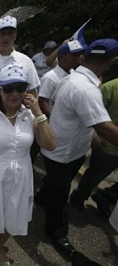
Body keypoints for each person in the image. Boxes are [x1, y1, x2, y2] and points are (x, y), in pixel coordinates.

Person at [37, 38, 118, 260]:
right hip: (62, 151)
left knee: (55, 187)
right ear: (111, 61)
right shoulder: (83, 87)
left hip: (70, 148)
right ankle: (55, 232)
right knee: (61, 193)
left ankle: (42, 199)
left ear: (84, 57)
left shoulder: (75, 79)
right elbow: (104, 127)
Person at [0, 64, 56, 266]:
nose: (14, 94)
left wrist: (38, 112)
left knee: (14, 214)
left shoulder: (31, 117)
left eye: (20, 88)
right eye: (8, 88)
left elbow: (51, 145)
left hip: (21, 177)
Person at [69, 78, 118, 211]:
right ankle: (79, 196)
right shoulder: (110, 88)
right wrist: (94, 135)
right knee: (95, 175)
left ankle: (106, 197)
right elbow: (91, 114)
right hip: (107, 146)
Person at [38, 40, 85, 118]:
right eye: (73, 56)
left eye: (78, 55)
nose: (76, 59)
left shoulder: (75, 74)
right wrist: (56, 119)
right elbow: (43, 102)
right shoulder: (50, 77)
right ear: (61, 57)